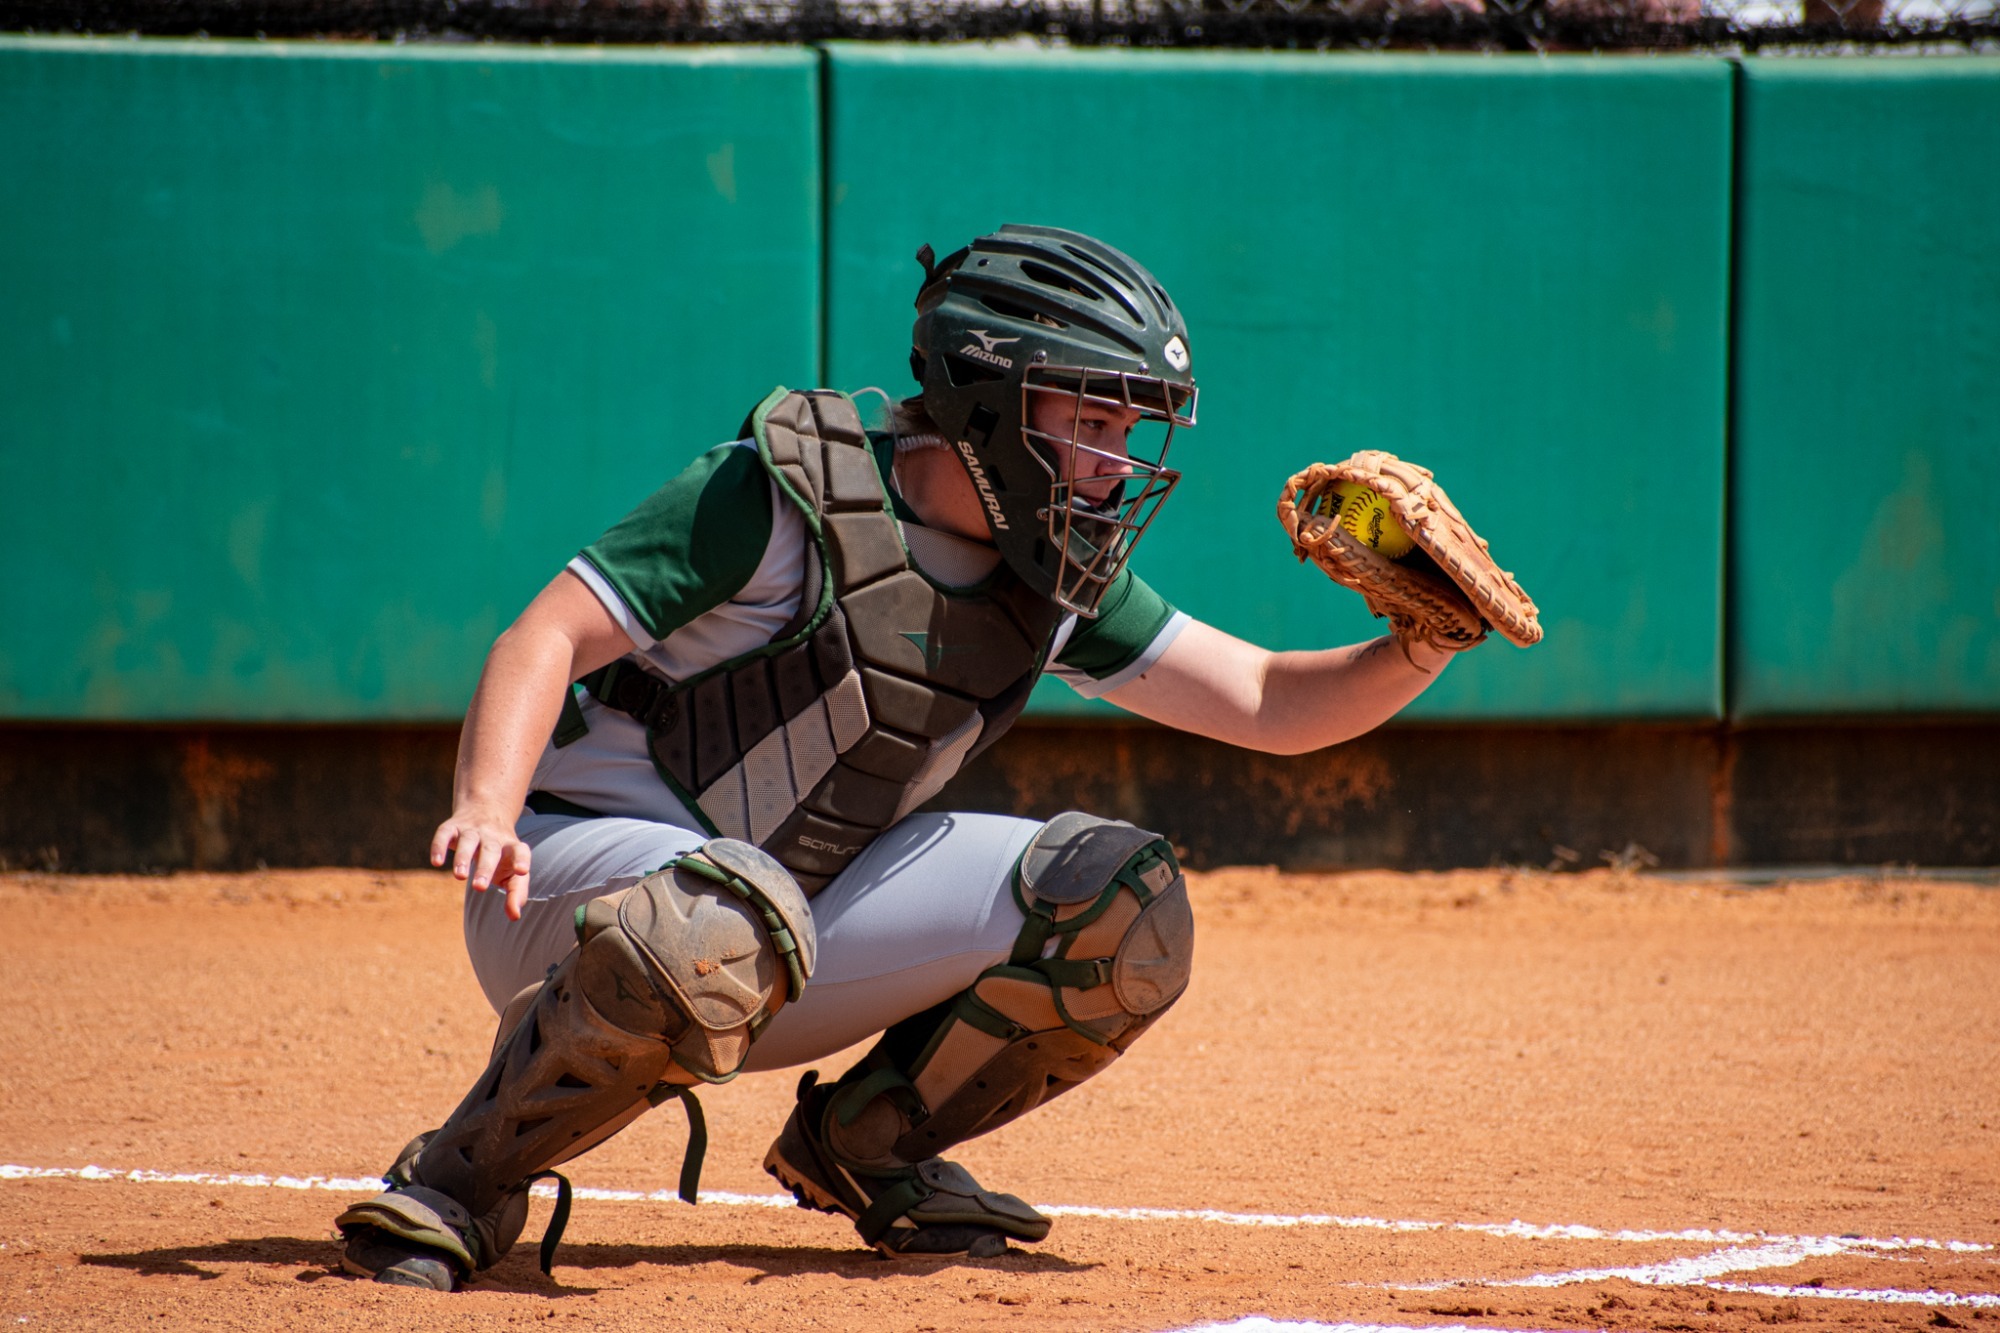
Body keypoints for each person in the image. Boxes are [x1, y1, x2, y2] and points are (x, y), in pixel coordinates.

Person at [334, 224, 1457, 1290]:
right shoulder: (775, 495)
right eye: (1095, 423)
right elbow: (545, 635)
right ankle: (461, 1179)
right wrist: (484, 802)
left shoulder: (1052, 568)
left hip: (781, 920)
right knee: (719, 910)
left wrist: (1416, 645)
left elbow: (1265, 700)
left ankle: (864, 1144)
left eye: (1131, 431)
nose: (1116, 465)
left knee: (1121, 906)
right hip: (567, 892)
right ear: (993, 401)